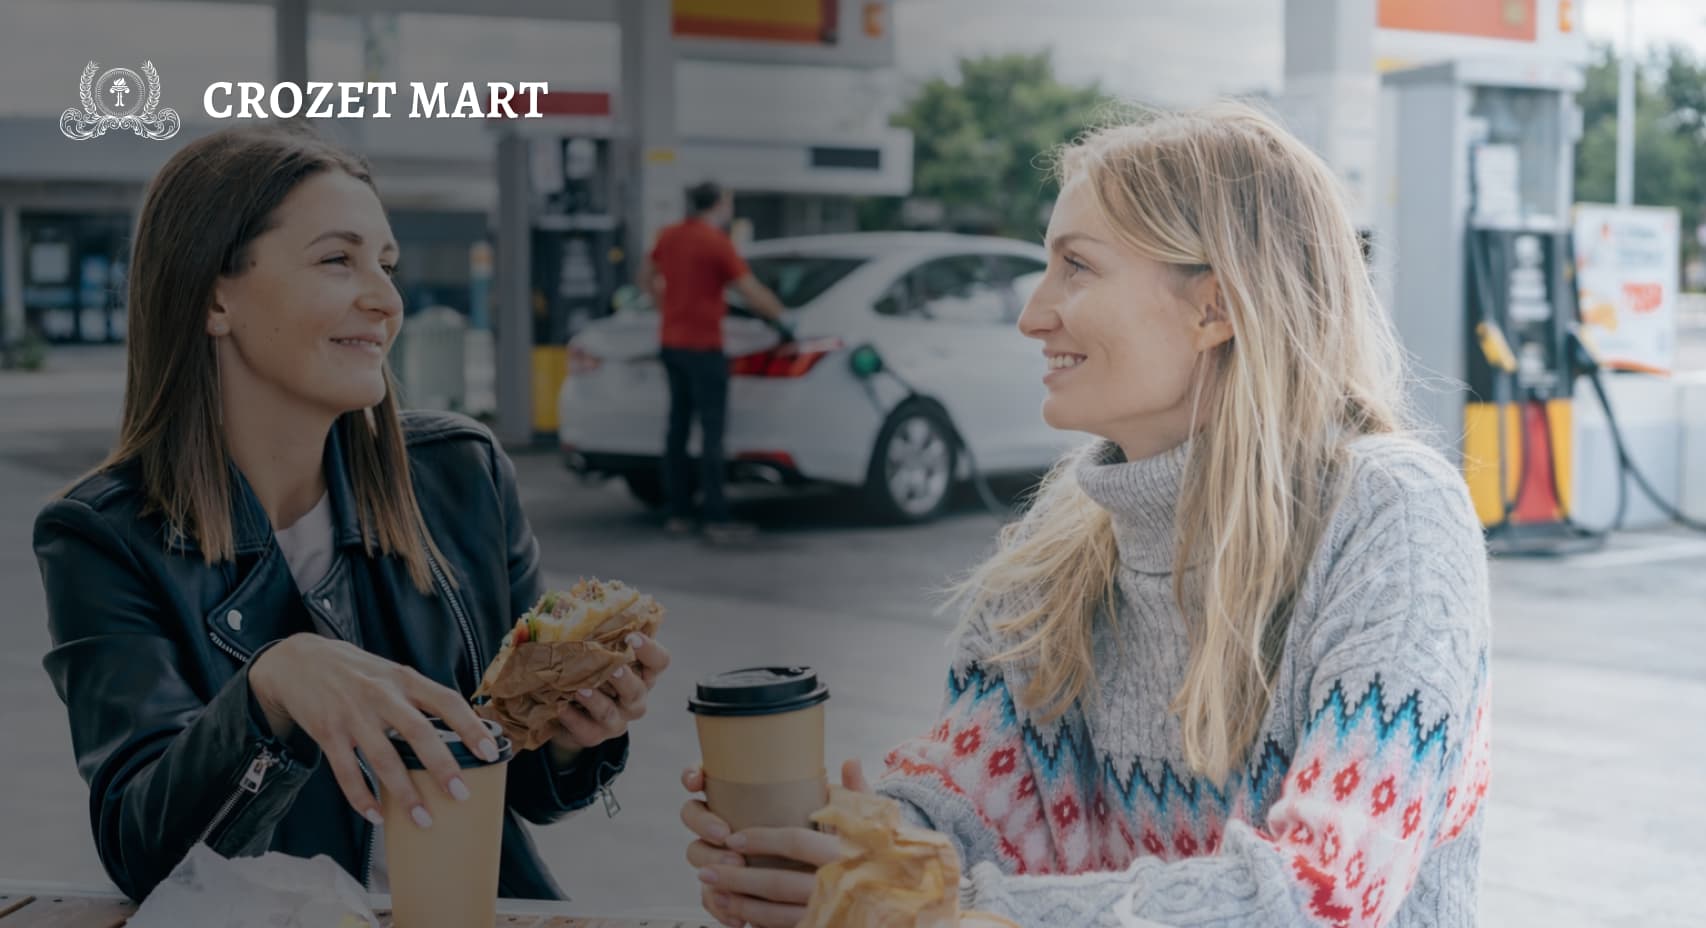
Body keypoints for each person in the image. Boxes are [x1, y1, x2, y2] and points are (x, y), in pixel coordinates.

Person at [680, 101, 1491, 927]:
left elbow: (1322, 894)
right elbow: (972, 795)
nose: (1032, 314)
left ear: (1215, 308)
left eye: (1077, 267)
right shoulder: (1065, 528)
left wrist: (948, 917)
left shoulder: (1392, 516)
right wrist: (852, 846)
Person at [33, 123, 671, 903]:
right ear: (213, 296)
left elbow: (527, 784)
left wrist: (574, 734)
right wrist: (271, 692)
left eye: (387, 265)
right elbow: (143, 851)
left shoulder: (461, 477)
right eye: (338, 260)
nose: (387, 299)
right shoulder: (99, 537)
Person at [640, 181, 786, 544]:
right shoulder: (716, 242)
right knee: (711, 433)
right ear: (720, 204)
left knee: (676, 429)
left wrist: (666, 308)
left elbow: (646, 277)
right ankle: (716, 517)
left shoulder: (669, 236)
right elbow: (750, 291)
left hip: (671, 343)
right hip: (704, 347)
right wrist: (783, 317)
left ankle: (678, 513)